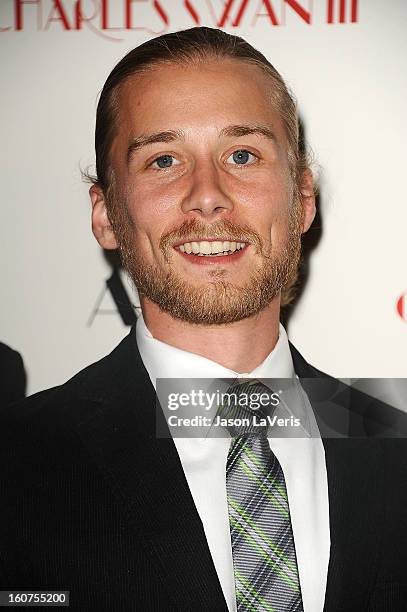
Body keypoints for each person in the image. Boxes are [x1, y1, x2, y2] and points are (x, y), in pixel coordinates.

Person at [0, 27, 406, 612]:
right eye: (163, 160)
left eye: (242, 155)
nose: (207, 195)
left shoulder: (394, 445)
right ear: (106, 214)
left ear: (304, 199)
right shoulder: (13, 464)